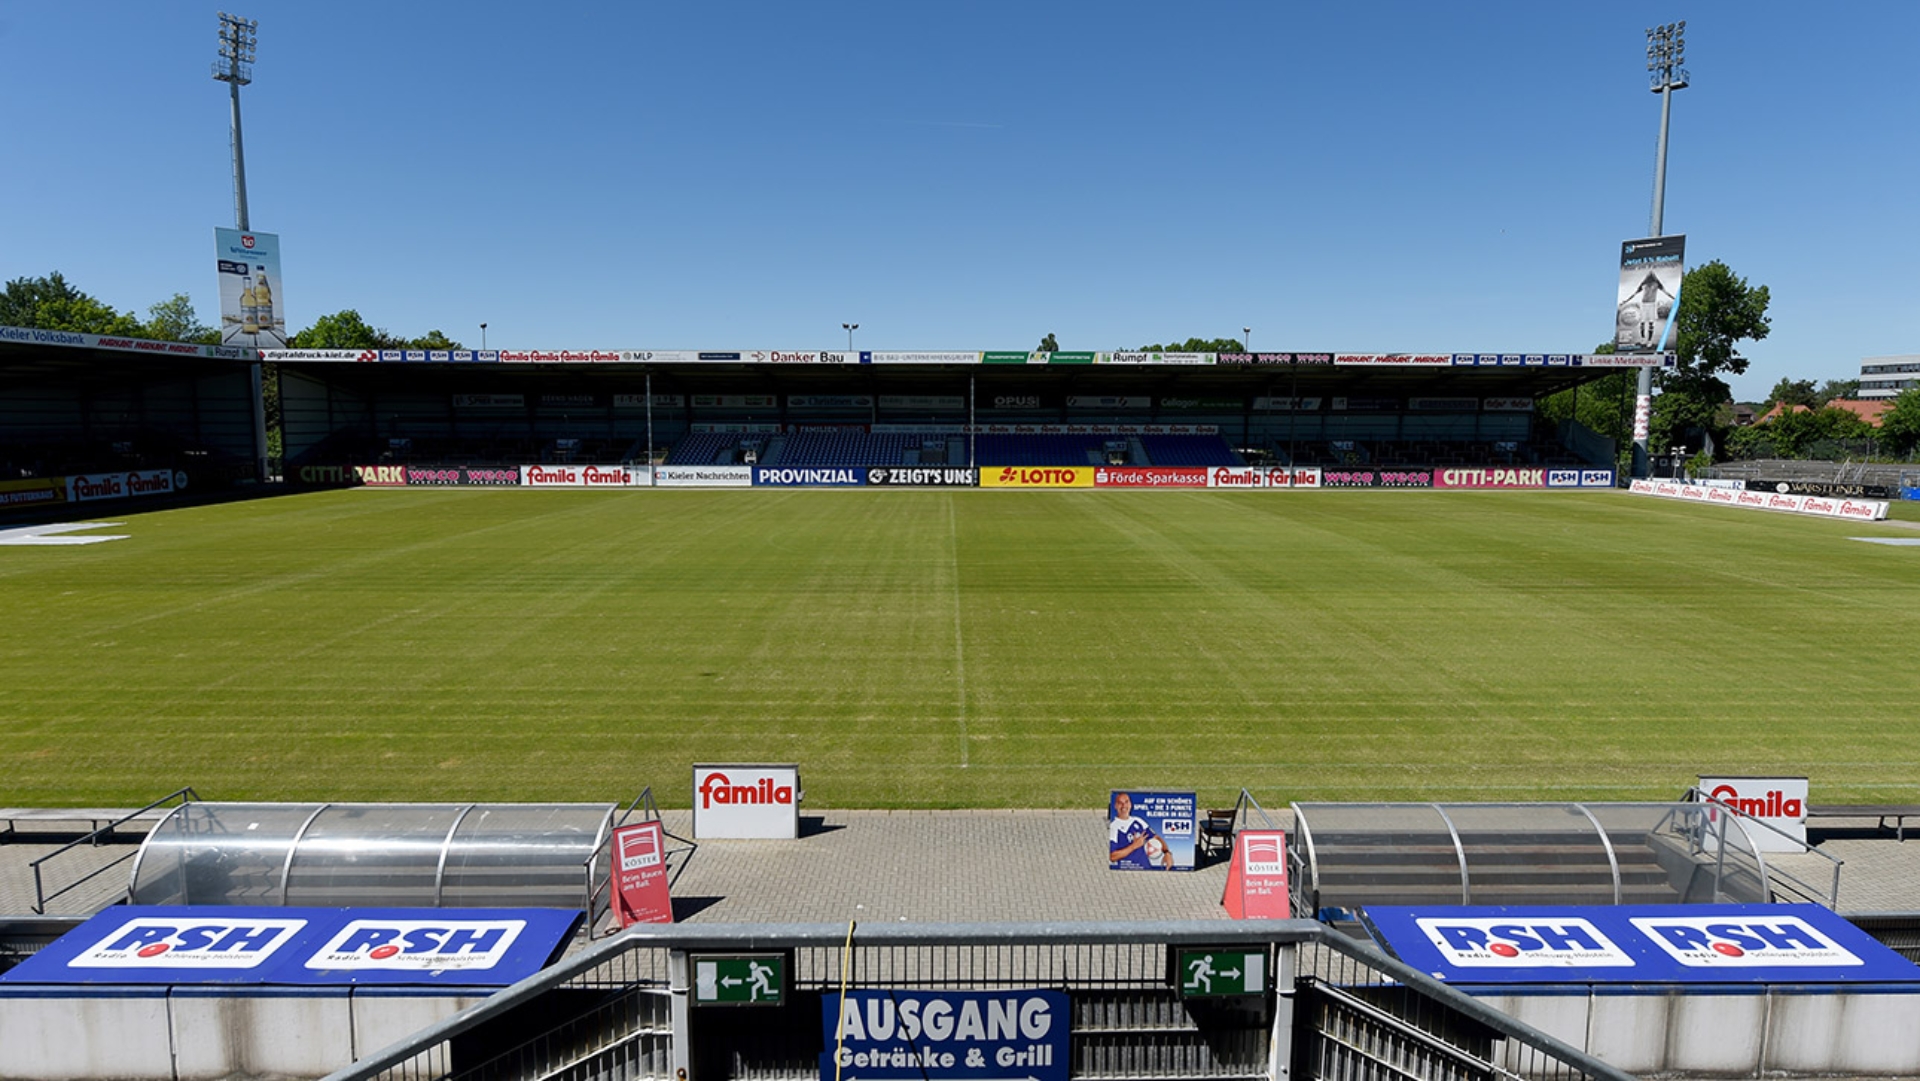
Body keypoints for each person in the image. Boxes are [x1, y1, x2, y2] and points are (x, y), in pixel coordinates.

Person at [1109, 792, 1172, 869]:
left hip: (1146, 868)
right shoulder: (1114, 827)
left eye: (1126, 802)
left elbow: (1156, 838)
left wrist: (1167, 853)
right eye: (1120, 803)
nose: (1124, 806)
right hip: (1126, 871)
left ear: (1130, 804)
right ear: (1115, 806)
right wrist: (1134, 846)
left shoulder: (1138, 821)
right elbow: (1112, 856)